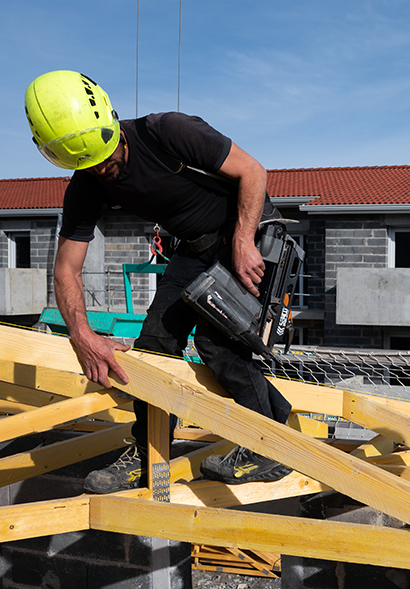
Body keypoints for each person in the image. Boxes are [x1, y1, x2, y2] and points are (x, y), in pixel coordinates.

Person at [25, 70, 293, 493]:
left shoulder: (167, 131)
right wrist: (81, 336)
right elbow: (66, 269)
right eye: (89, 165)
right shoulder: (86, 185)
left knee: (216, 342)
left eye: (106, 156)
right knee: (154, 347)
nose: (102, 169)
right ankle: (147, 453)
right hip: (194, 248)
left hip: (249, 234)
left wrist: (243, 239)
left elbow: (253, 173)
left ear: (110, 121)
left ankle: (269, 444)